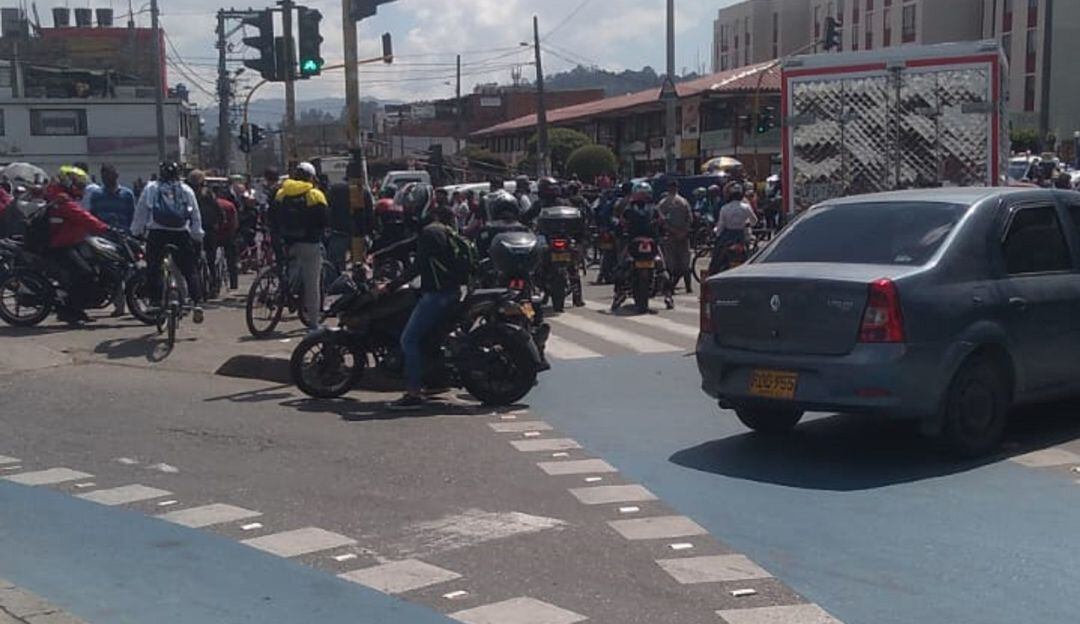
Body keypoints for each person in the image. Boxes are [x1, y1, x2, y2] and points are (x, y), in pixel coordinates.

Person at [387, 185, 467, 411]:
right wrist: (380, 253)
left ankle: (413, 392)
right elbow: (410, 245)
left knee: (408, 339)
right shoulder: (437, 229)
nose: (407, 211)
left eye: (411, 207)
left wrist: (391, 286)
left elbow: (417, 266)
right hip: (449, 291)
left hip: (438, 294)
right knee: (427, 337)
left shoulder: (431, 233)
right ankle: (436, 380)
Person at [132, 161, 205, 324]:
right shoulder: (186, 189)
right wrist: (197, 235)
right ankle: (196, 303)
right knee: (189, 269)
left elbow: (141, 211)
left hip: (157, 233)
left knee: (154, 267)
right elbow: (195, 215)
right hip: (181, 234)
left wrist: (136, 231)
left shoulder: (151, 188)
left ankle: (156, 301)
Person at [44, 166, 110, 324]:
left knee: (90, 267)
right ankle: (69, 311)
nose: (80, 187)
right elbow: (80, 215)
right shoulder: (61, 198)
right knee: (84, 274)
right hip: (60, 244)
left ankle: (78, 309)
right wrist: (104, 227)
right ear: (68, 182)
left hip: (71, 241)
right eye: (77, 184)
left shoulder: (61, 195)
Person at [268, 162, 329, 332]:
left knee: (290, 269)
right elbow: (324, 220)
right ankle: (314, 324)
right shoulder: (315, 195)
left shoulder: (281, 193)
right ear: (311, 177)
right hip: (310, 243)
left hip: (287, 242)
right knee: (312, 284)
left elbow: (272, 217)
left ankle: (284, 291)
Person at [188, 170, 223, 297]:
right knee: (211, 259)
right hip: (209, 229)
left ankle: (197, 287)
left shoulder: (188, 192)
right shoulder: (208, 193)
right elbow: (217, 208)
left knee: (195, 260)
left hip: (193, 229)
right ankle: (213, 283)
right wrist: (221, 221)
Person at [658, 180, 693, 294]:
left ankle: (669, 288)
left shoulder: (663, 203)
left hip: (670, 236)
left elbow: (661, 220)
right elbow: (690, 218)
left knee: (670, 263)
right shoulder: (684, 202)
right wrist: (684, 231)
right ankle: (688, 287)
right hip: (683, 236)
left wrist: (671, 230)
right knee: (685, 262)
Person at [476, 190, 530, 258]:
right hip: (497, 264)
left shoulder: (524, 229)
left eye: (509, 210)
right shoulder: (487, 231)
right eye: (503, 211)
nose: (506, 214)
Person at [715, 182, 758, 247]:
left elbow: (721, 224)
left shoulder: (724, 208)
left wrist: (718, 235)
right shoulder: (746, 207)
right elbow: (754, 221)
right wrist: (748, 224)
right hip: (743, 235)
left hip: (728, 236)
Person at [325, 181, 354, 273]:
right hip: (357, 233)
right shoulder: (360, 191)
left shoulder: (334, 190)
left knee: (334, 263)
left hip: (339, 232)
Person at [215, 187, 241, 290]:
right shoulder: (230, 205)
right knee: (232, 261)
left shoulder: (212, 203)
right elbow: (235, 223)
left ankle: (212, 282)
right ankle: (234, 283)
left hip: (214, 235)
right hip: (228, 236)